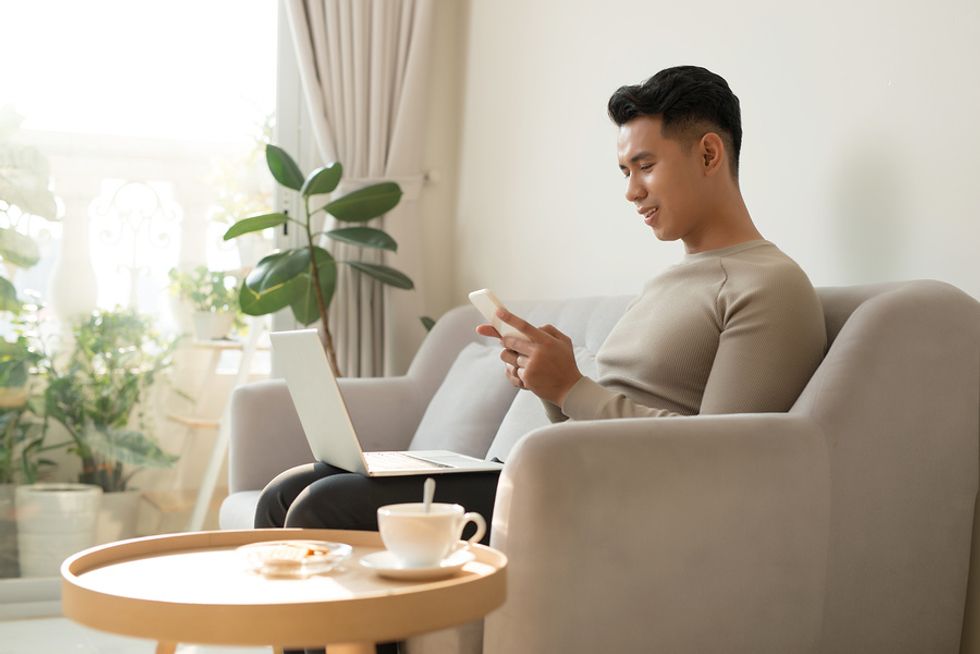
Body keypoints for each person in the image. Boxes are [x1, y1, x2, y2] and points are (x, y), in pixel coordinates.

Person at [255, 65, 826, 654]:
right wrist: (550, 383)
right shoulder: (670, 282)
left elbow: (725, 462)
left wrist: (572, 386)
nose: (631, 191)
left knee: (326, 505)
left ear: (709, 153)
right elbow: (596, 420)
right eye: (625, 171)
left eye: (646, 166)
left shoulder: (770, 287)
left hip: (592, 500)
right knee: (289, 491)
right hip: (548, 476)